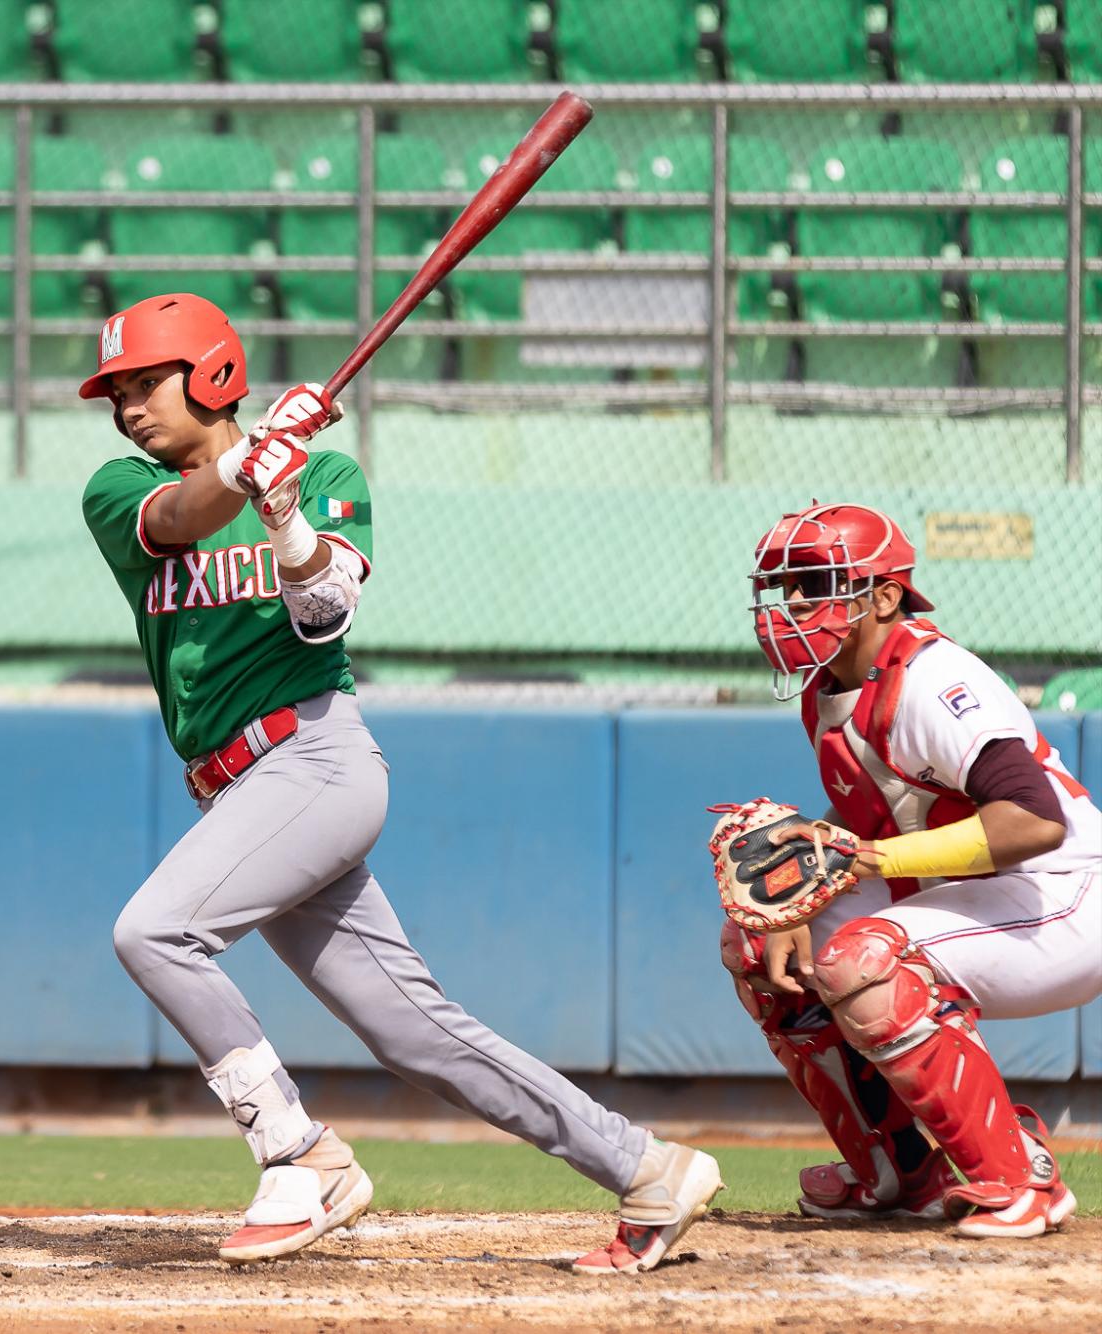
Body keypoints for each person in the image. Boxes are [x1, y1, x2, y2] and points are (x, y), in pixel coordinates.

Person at [78, 293, 722, 1274]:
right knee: (413, 1032)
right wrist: (242, 473)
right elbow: (173, 516)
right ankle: (643, 1164)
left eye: (143, 380)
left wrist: (284, 510)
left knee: (153, 930)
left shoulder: (324, 468)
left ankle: (297, 1154)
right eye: (114, 389)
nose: (126, 405)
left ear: (210, 374)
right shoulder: (116, 486)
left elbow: (325, 612)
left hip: (314, 758)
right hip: (235, 789)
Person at [724, 502, 1101, 1237]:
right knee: (754, 945)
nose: (795, 603)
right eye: (787, 586)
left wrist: (867, 857)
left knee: (868, 959)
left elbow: (1033, 819)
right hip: (983, 895)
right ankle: (896, 1175)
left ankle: (1022, 1182)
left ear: (885, 596)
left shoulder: (934, 679)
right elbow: (876, 832)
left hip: (1069, 892)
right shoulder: (828, 690)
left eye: (819, 582)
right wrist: (800, 900)